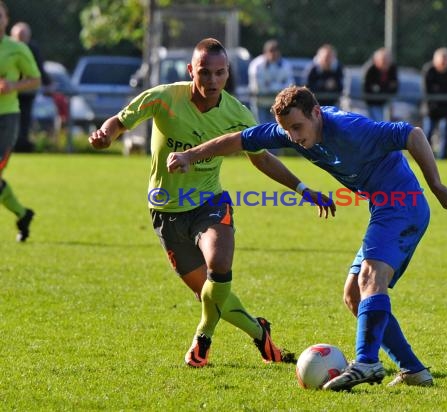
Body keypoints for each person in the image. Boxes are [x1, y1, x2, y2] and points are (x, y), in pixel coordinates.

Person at [167, 85, 447, 390]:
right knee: (354, 295)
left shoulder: (351, 128)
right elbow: (239, 140)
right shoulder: (292, 132)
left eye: (298, 127)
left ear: (316, 113)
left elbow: (412, 134)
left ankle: (366, 362)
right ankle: (413, 370)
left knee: (370, 278)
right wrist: (191, 154)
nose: (294, 137)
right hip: (383, 207)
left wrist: (437, 186)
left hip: (403, 204)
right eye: (287, 130)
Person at [88, 38, 334, 368]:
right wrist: (106, 135)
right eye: (205, 73)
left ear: (228, 73)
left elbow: (261, 159)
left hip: (210, 204)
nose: (212, 81)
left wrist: (303, 189)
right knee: (210, 293)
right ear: (191, 70)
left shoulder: (236, 113)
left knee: (219, 267)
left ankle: (203, 338)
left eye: (220, 73)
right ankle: (260, 333)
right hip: (166, 212)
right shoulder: (164, 98)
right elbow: (119, 121)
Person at [0, 1, 40, 242]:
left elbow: (35, 79)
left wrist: (13, 85)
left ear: (6, 19)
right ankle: (23, 215)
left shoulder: (17, 49)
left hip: (6, 118)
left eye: (0, 15)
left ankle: (23, 215)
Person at [10, 21, 52, 153]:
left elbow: (40, 68)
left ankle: (21, 143)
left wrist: (48, 83)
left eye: (24, 37)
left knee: (25, 119)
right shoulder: (6, 47)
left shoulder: (33, 48)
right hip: (9, 92)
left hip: (27, 92)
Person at [421, 47, 447, 159]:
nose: (443, 62)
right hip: (431, 109)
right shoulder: (429, 70)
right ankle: (425, 157)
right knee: (427, 133)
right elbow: (426, 91)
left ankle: (443, 157)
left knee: (445, 132)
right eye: (441, 59)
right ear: (435, 59)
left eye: (446, 59)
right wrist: (432, 105)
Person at [248, 39, 294, 124]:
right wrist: (279, 86)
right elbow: (259, 87)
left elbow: (289, 86)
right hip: (260, 103)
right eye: (271, 51)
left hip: (278, 104)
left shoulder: (286, 65)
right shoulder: (256, 65)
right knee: (260, 128)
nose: (273, 54)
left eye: (275, 51)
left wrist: (270, 85)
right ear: (265, 52)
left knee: (276, 129)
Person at [362, 47, 398, 122]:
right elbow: (367, 89)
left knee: (392, 120)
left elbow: (394, 87)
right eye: (383, 61)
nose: (386, 64)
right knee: (378, 121)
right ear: (376, 61)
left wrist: (380, 89)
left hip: (387, 100)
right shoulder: (370, 70)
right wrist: (384, 88)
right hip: (373, 102)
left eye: (387, 61)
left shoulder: (393, 68)